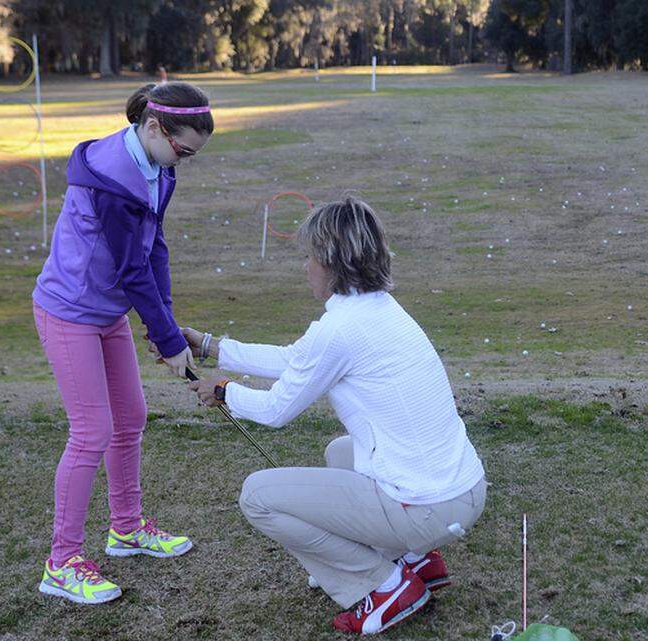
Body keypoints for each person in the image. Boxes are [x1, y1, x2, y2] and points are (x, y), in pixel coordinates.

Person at [184, 195, 487, 634]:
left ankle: (383, 585)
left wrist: (224, 392)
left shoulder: (341, 330)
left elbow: (275, 410)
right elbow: (296, 359)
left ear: (329, 261)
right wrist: (211, 346)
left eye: (309, 257)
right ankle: (416, 559)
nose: (305, 267)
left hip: (425, 508)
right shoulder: (378, 309)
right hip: (463, 494)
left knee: (257, 495)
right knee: (341, 451)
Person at [31, 81, 213, 604]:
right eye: (183, 149)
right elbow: (132, 269)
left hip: (107, 310)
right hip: (69, 311)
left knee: (130, 418)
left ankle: (126, 530)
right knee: (91, 432)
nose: (185, 162)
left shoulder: (161, 166)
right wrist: (165, 335)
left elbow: (154, 247)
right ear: (155, 127)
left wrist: (169, 328)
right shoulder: (113, 180)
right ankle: (61, 563)